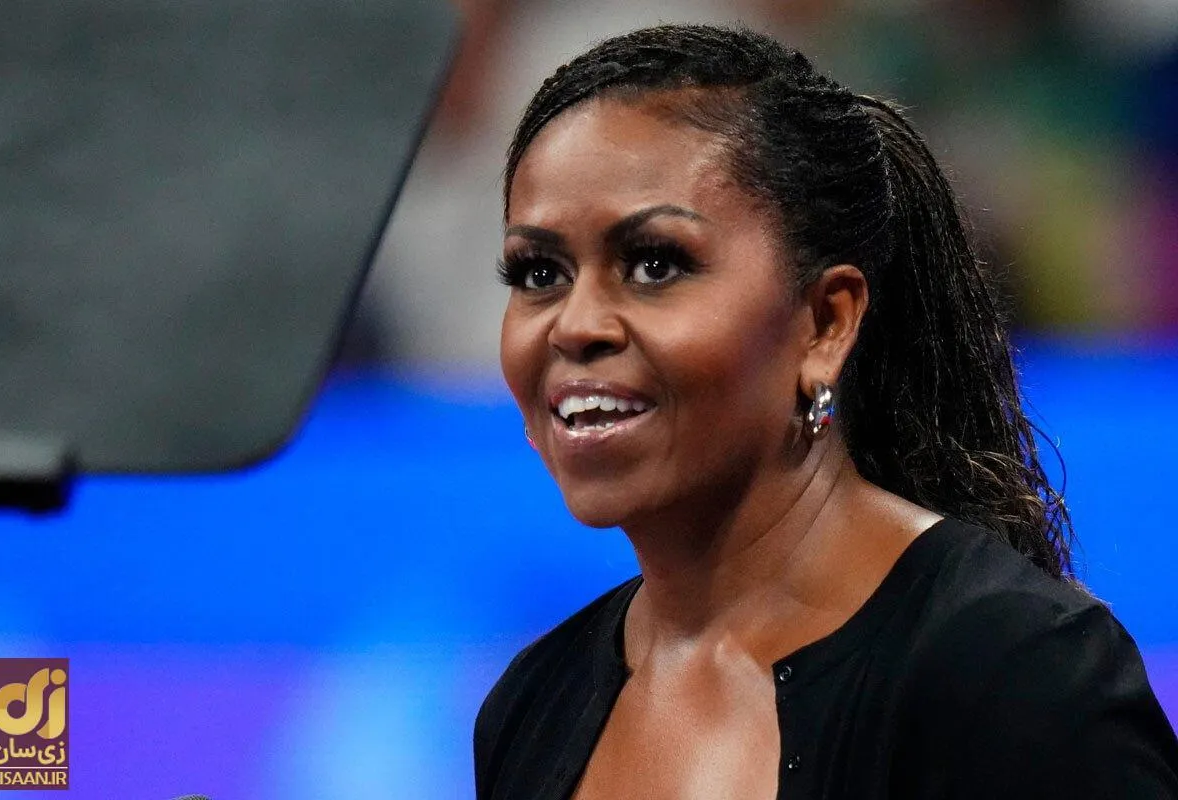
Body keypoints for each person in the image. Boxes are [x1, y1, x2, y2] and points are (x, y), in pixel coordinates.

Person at [474, 24, 1178, 800]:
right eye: (538, 273)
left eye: (654, 264)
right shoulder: (532, 704)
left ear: (825, 323)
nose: (574, 325)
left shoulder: (1016, 674)